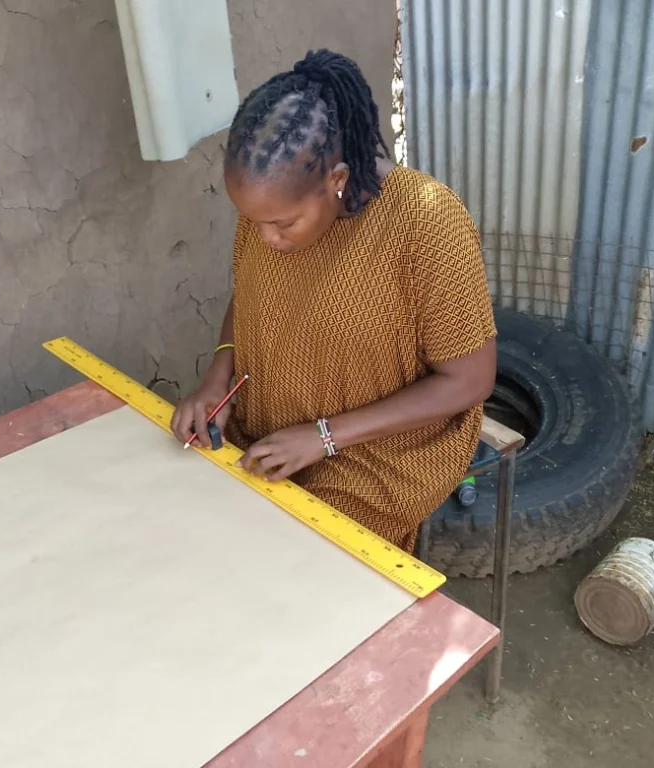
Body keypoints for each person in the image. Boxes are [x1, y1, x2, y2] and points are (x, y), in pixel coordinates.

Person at [170, 49, 497, 553]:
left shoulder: (427, 224)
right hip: (271, 423)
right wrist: (215, 381)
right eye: (254, 220)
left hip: (382, 450)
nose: (266, 237)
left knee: (299, 559)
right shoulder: (272, 209)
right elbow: (251, 294)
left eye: (282, 224)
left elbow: (470, 380)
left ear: (337, 181)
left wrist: (322, 437)